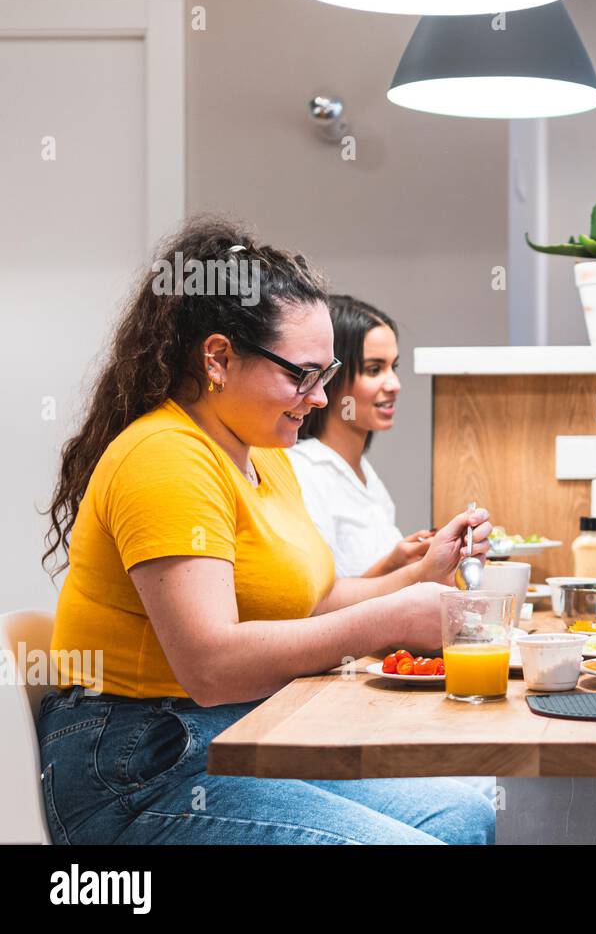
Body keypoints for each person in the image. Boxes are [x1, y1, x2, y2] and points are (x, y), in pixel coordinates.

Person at [39, 217, 496, 844]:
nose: (318, 398)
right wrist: (393, 618)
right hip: (137, 767)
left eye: (326, 373)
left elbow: (315, 600)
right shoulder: (166, 456)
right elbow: (211, 665)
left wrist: (419, 575)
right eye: (299, 374)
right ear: (220, 358)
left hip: (230, 732)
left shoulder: (263, 451)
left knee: (465, 813)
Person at [287, 295, 431, 579]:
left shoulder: (365, 473)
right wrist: (395, 565)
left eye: (394, 367)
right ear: (331, 376)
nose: (394, 385)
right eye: (374, 369)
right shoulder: (302, 471)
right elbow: (318, 603)